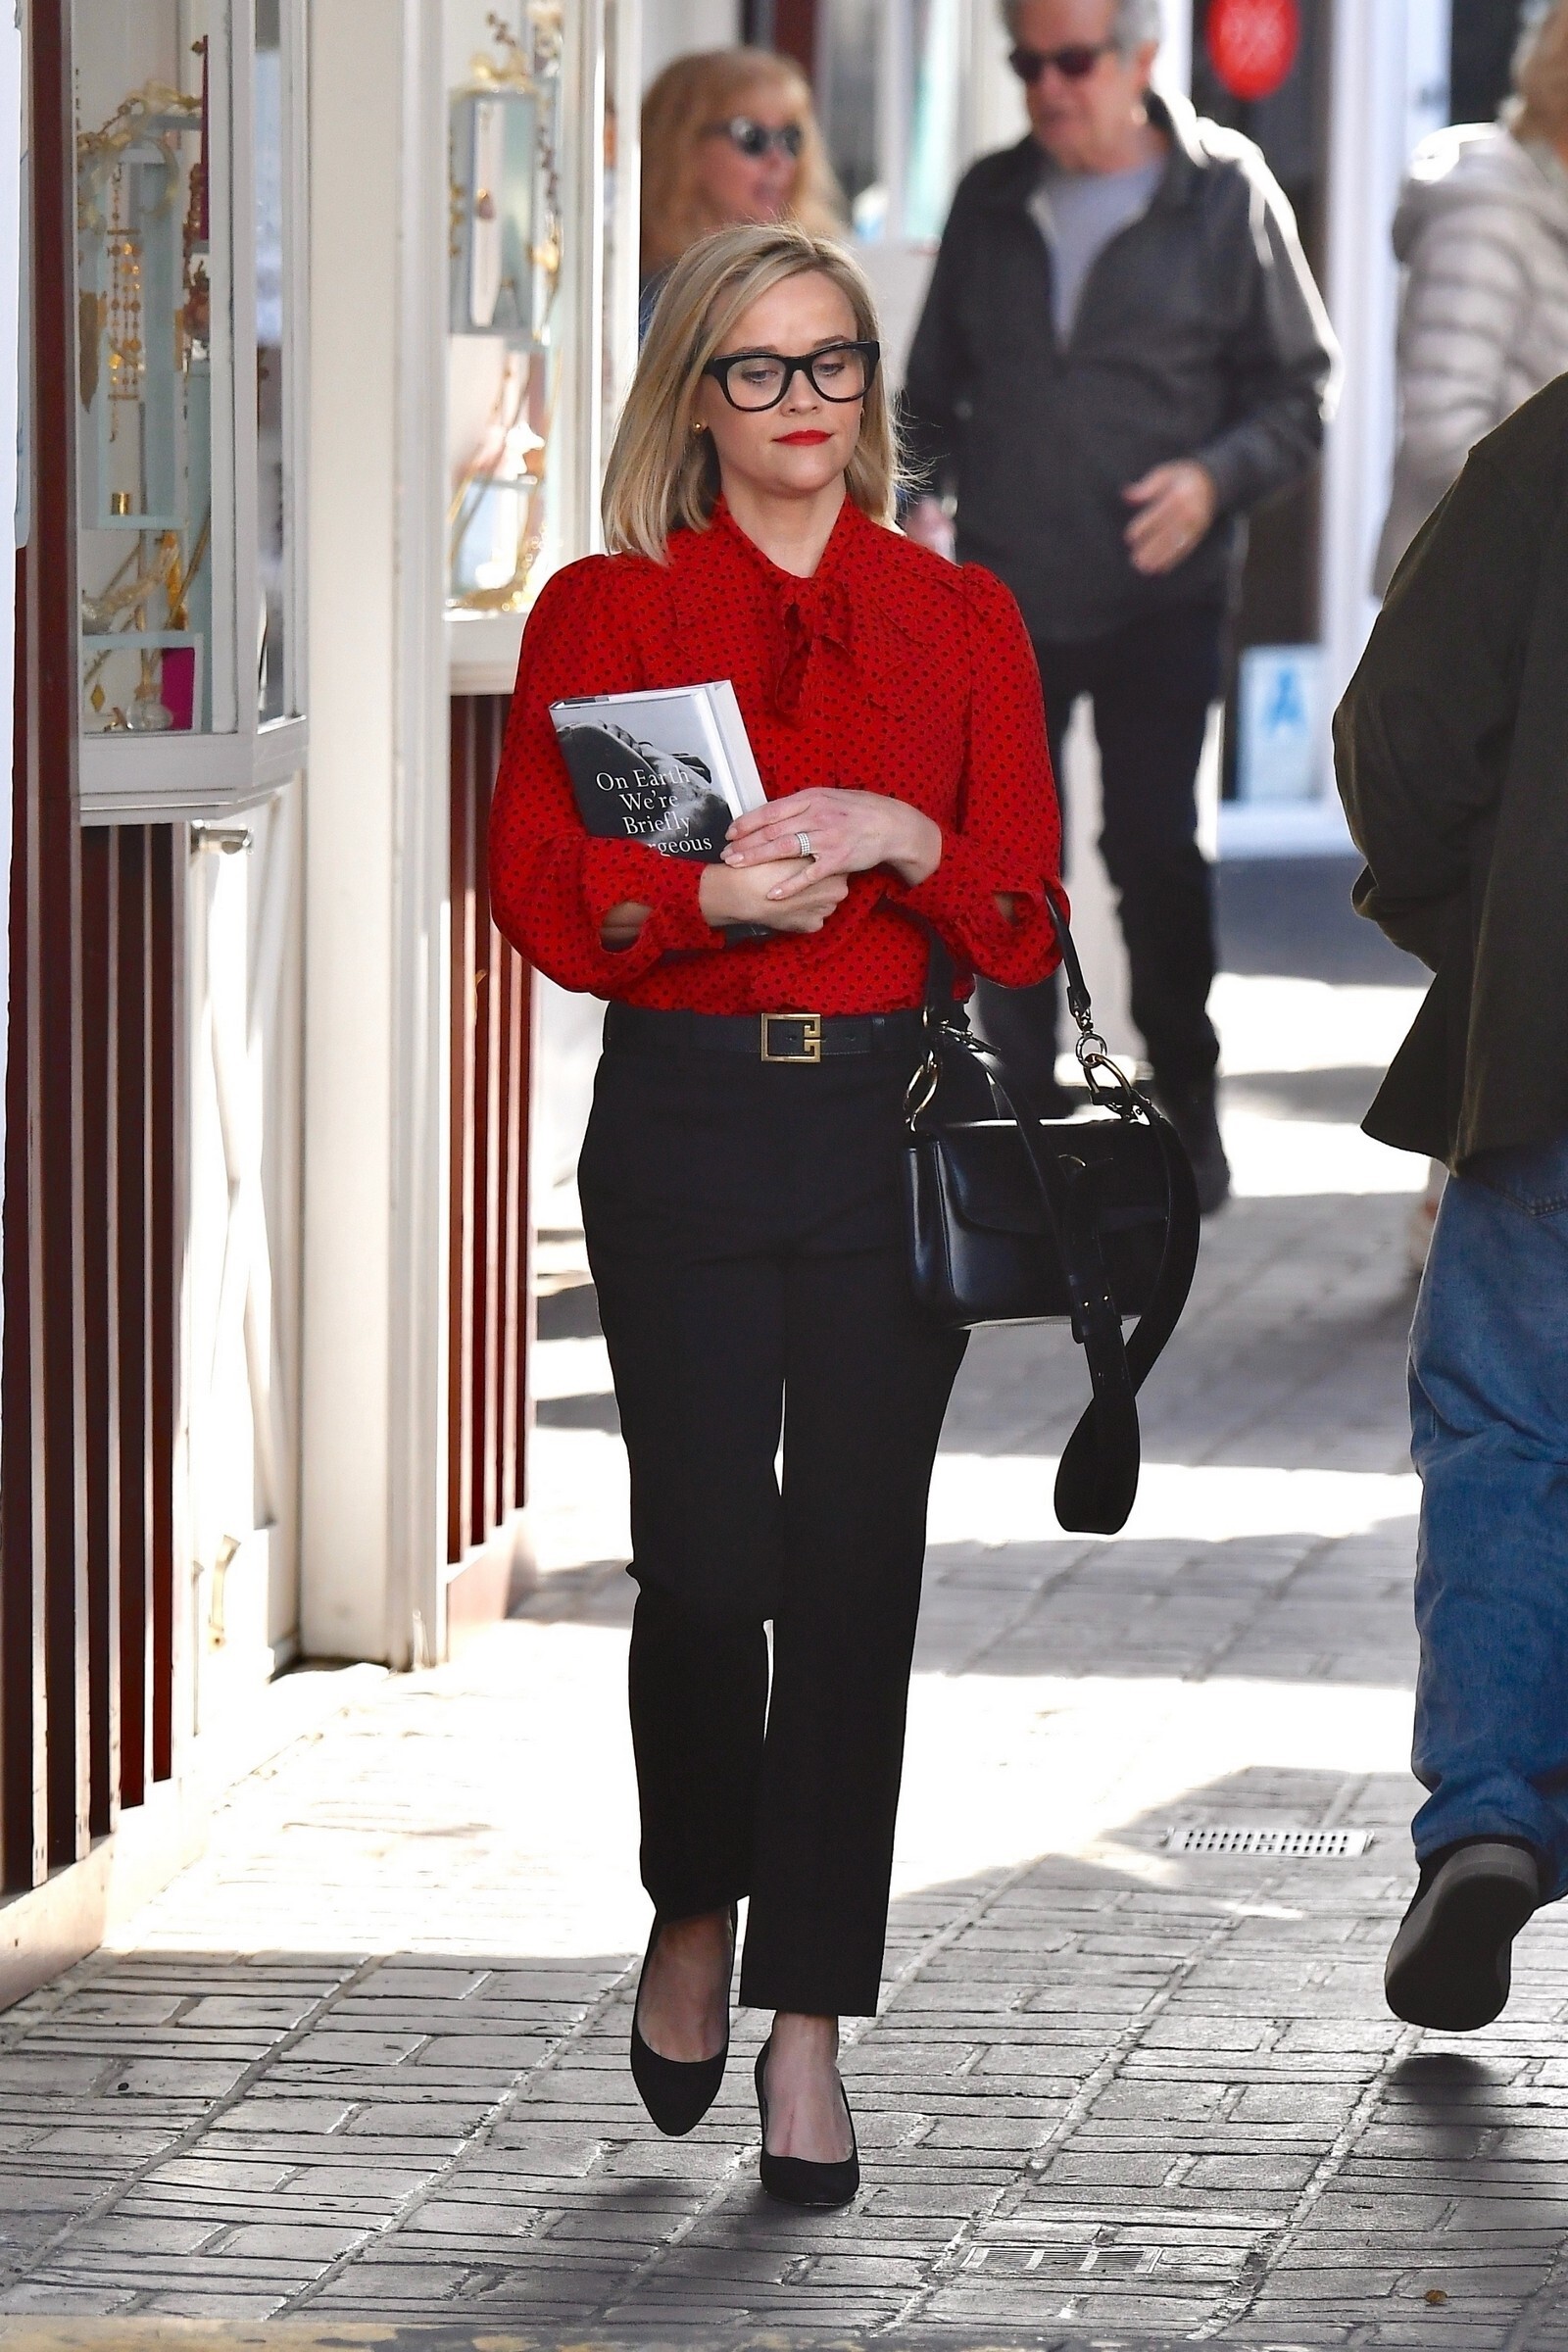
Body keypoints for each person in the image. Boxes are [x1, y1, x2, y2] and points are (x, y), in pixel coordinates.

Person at [487, 223, 1063, 2204]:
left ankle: (807, 2018)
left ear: (867, 387)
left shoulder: (958, 615)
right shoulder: (606, 612)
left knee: (852, 1576)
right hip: (682, 1128)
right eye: (759, 367)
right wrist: (700, 902)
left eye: (833, 363)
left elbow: (1022, 911)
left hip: (880, 1131)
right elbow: (534, 878)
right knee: (705, 1567)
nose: (802, 401)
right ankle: (690, 1907)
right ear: (695, 395)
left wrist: (910, 834)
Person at [902, 0, 1337, 1212]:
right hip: (1004, 593)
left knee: (1151, 852)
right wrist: (921, 506)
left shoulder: (1224, 192)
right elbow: (926, 396)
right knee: (1007, 859)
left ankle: (1186, 1106)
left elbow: (1301, 392)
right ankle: (1021, 1119)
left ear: (1142, 58)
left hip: (1161, 595)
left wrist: (1213, 478)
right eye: (1026, 62)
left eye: (1072, 61)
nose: (1047, 86)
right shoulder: (991, 196)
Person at [1336, 372, 1568, 2034]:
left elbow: (1400, 737)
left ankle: (1485, 1814)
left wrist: (1497, 937)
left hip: (1558, 1057)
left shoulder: (1552, 450)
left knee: (1506, 1431)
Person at [1370, 0, 1568, 1274]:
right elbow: (1444, 427)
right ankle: (1462, 1222)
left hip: (1523, 625)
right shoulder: (1497, 206)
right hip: (1495, 636)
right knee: (1510, 964)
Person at [639, 48, 843, 329]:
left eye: (791, 138)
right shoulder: (643, 301)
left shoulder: (820, 282)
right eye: (752, 137)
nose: (779, 160)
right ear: (681, 144)